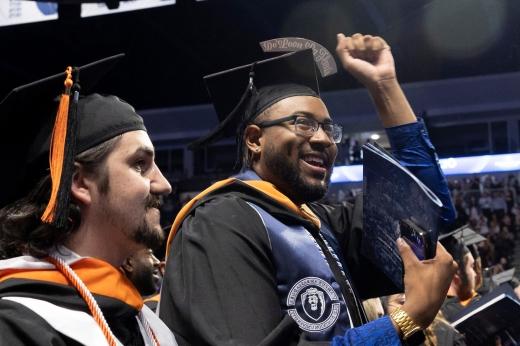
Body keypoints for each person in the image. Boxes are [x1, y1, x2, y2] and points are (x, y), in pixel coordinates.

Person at [159, 33, 457, 345]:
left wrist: (384, 86)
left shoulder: (322, 225)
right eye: (302, 123)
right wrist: (404, 322)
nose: (324, 139)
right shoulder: (219, 223)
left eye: (330, 129)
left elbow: (427, 212)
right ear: (254, 139)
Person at [0, 55, 177, 345]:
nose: (165, 184)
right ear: (80, 182)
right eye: (140, 164)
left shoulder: (148, 324)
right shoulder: (17, 326)